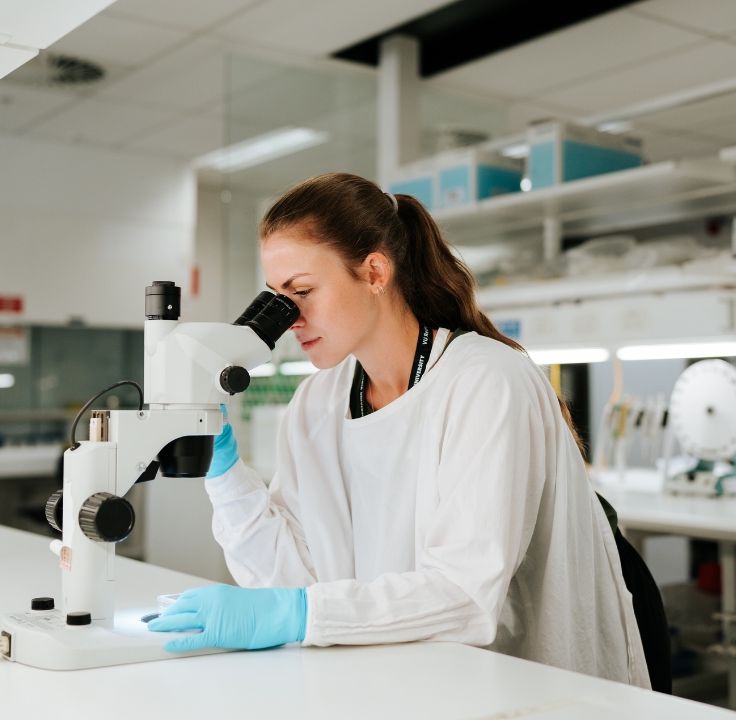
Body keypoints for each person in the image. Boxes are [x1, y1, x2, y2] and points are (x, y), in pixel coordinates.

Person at [149, 172, 652, 689]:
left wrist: (299, 613)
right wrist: (226, 477)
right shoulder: (317, 401)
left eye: (302, 291)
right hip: (393, 676)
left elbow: (463, 597)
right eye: (277, 296)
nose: (290, 318)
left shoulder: (485, 380)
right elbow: (296, 581)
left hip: (528, 685)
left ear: (374, 272)